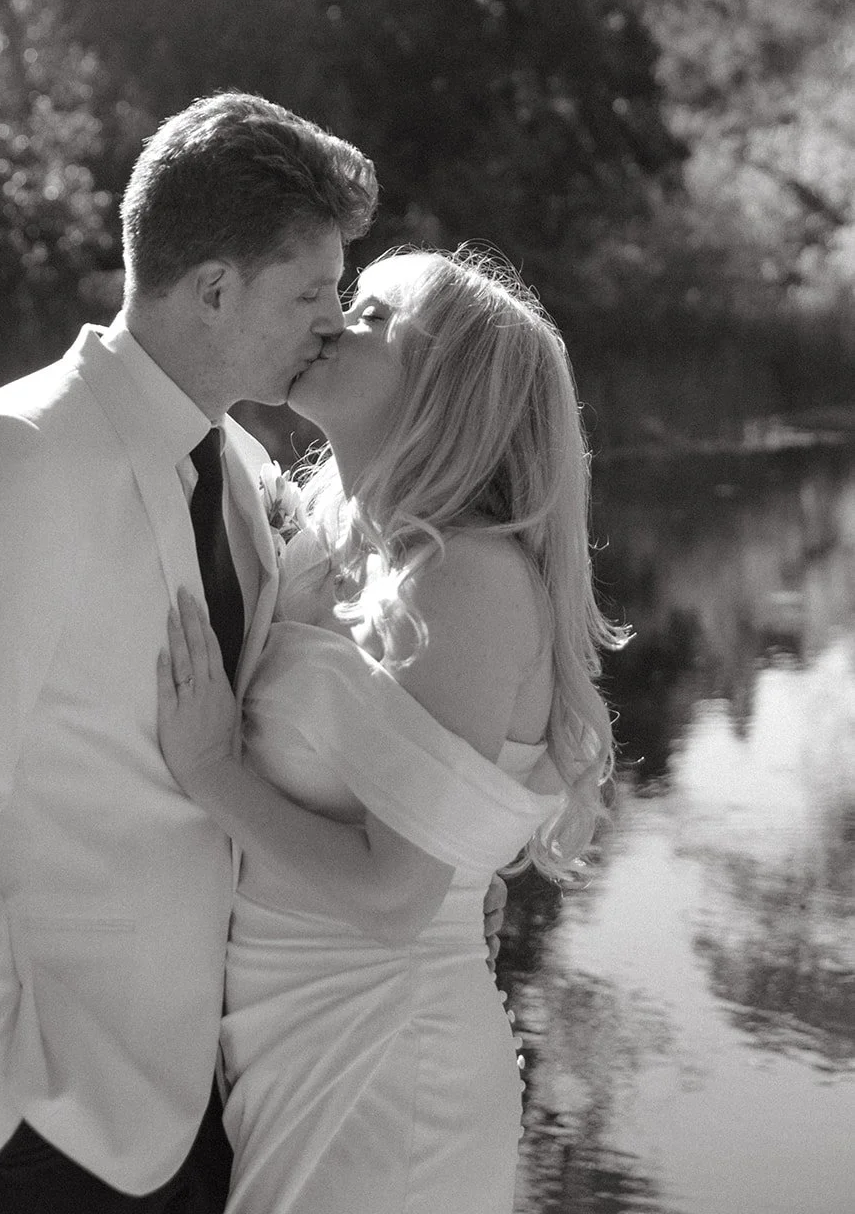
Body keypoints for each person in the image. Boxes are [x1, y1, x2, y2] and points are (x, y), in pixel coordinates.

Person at [0, 91, 377, 1213]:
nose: (334, 319)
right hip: (40, 1118)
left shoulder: (231, 464)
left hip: (200, 1101)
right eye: (312, 291)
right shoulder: (15, 457)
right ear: (214, 289)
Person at [156, 246, 627, 1214]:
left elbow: (391, 893)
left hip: (387, 1062)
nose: (328, 319)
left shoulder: (469, 577)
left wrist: (207, 765)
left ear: (444, 387)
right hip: (278, 1042)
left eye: (369, 315)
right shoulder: (317, 544)